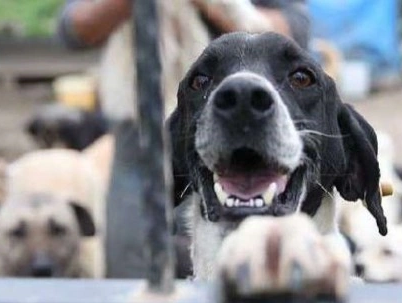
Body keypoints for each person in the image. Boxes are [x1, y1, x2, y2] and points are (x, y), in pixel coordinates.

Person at [57, 0, 310, 278]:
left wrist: (217, 6)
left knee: (240, 272)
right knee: (133, 274)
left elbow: (293, 32)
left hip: (235, 139)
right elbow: (74, 29)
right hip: (140, 140)